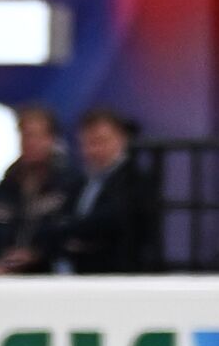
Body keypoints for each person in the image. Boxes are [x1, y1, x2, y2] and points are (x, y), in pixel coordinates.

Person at [0, 106, 79, 274]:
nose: (30, 142)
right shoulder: (5, 187)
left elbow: (73, 235)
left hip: (48, 280)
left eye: (37, 135)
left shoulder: (70, 185)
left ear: (52, 139)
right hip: (3, 281)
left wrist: (38, 254)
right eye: (25, 135)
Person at [56, 109, 155, 273]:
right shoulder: (77, 182)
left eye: (100, 141)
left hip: (118, 275)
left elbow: (111, 221)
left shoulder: (134, 180)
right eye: (86, 143)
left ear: (122, 139)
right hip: (78, 273)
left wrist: (70, 231)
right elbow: (57, 221)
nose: (92, 151)